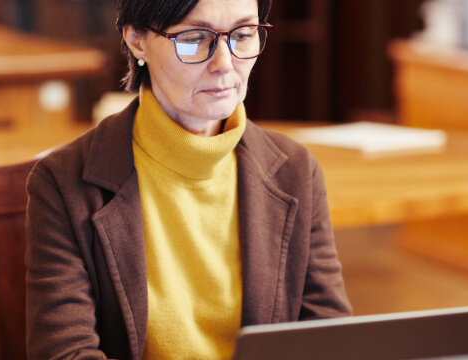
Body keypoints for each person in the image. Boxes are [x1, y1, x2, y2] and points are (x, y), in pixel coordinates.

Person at [24, 0, 352, 358]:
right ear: (137, 40)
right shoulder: (63, 183)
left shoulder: (295, 172)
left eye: (243, 35)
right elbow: (65, 353)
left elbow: (329, 339)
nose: (225, 64)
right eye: (196, 38)